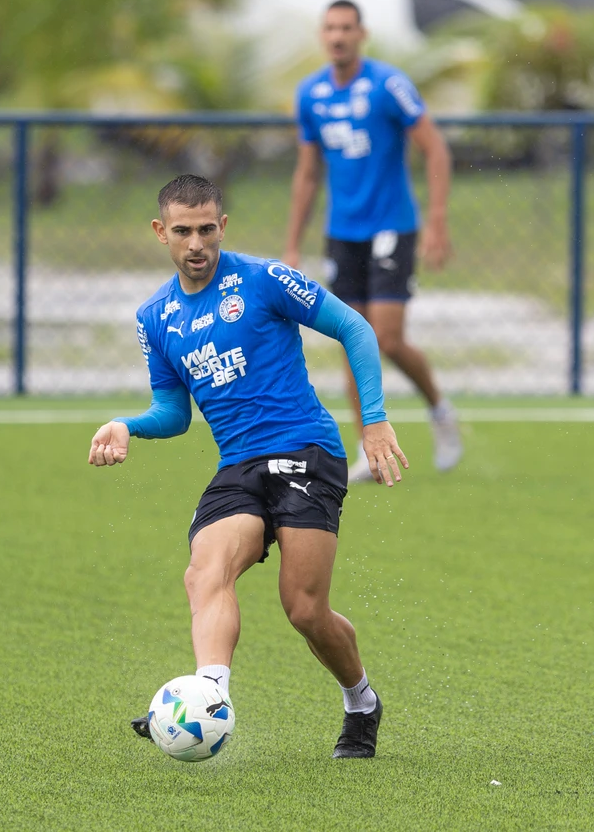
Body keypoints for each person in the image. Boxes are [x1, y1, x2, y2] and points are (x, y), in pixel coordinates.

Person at [89, 174, 408, 759]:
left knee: (304, 609)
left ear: (222, 226)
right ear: (160, 232)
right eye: (182, 231)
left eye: (207, 229)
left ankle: (361, 700)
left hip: (307, 451)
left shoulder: (263, 279)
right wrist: (127, 425)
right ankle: (210, 697)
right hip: (238, 463)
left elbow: (354, 328)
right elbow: (173, 412)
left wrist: (375, 418)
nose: (196, 243)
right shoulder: (154, 317)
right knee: (204, 570)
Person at [284, 0, 461, 483]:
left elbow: (435, 148)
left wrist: (437, 220)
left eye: (346, 28)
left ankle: (440, 410)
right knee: (349, 337)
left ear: (361, 34)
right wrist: (293, 245)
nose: (338, 36)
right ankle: (368, 446)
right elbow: (306, 173)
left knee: (386, 338)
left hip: (391, 226)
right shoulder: (310, 94)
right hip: (343, 234)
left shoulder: (388, 85)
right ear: (323, 36)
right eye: (330, 28)